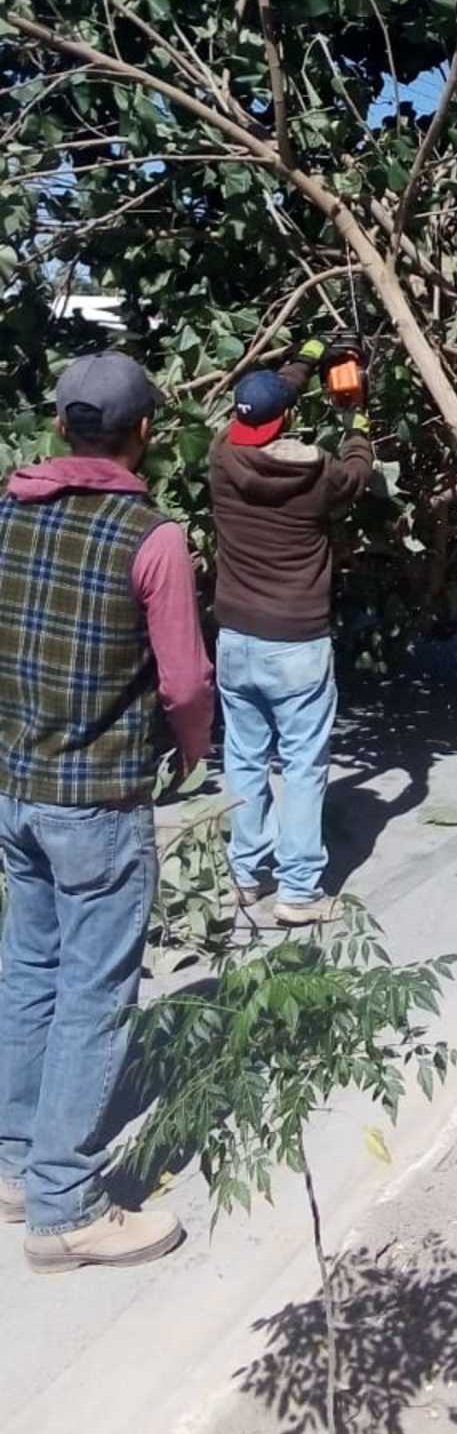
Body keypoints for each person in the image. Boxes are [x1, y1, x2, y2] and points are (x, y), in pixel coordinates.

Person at [0, 351, 214, 1272]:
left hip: (16, 792)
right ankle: (65, 1206)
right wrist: (196, 753)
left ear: (58, 426)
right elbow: (186, 680)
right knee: (95, 995)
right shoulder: (152, 536)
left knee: (27, 974)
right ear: (145, 434)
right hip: (99, 801)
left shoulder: (6, 510)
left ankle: (13, 1166)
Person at [209, 341, 372, 924]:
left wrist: (306, 356)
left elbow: (271, 399)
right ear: (289, 420)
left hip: (236, 639)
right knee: (302, 765)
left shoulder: (222, 454)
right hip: (297, 643)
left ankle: (245, 876)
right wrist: (357, 413)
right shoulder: (317, 474)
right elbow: (357, 470)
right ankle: (299, 892)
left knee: (244, 757)